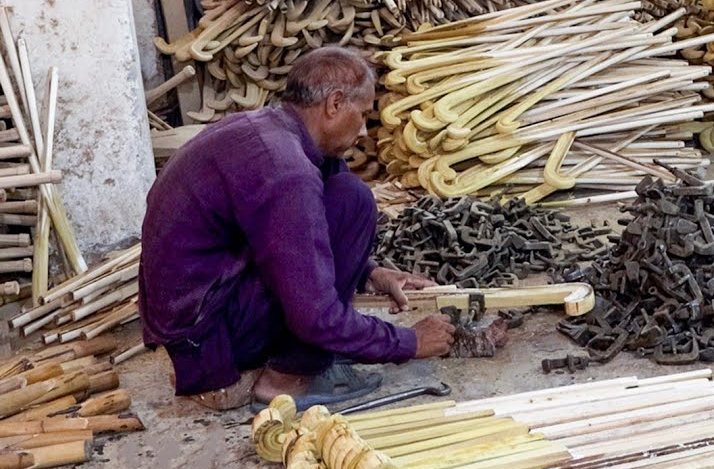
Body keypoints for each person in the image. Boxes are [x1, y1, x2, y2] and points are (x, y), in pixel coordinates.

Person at [139, 46, 491, 410]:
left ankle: (288, 360)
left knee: (345, 194)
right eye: (364, 115)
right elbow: (315, 316)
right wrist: (408, 342)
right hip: (205, 343)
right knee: (355, 202)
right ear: (335, 104)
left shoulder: (271, 130)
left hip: (202, 311)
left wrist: (369, 274)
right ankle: (286, 379)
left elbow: (282, 239)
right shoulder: (286, 171)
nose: (364, 132)